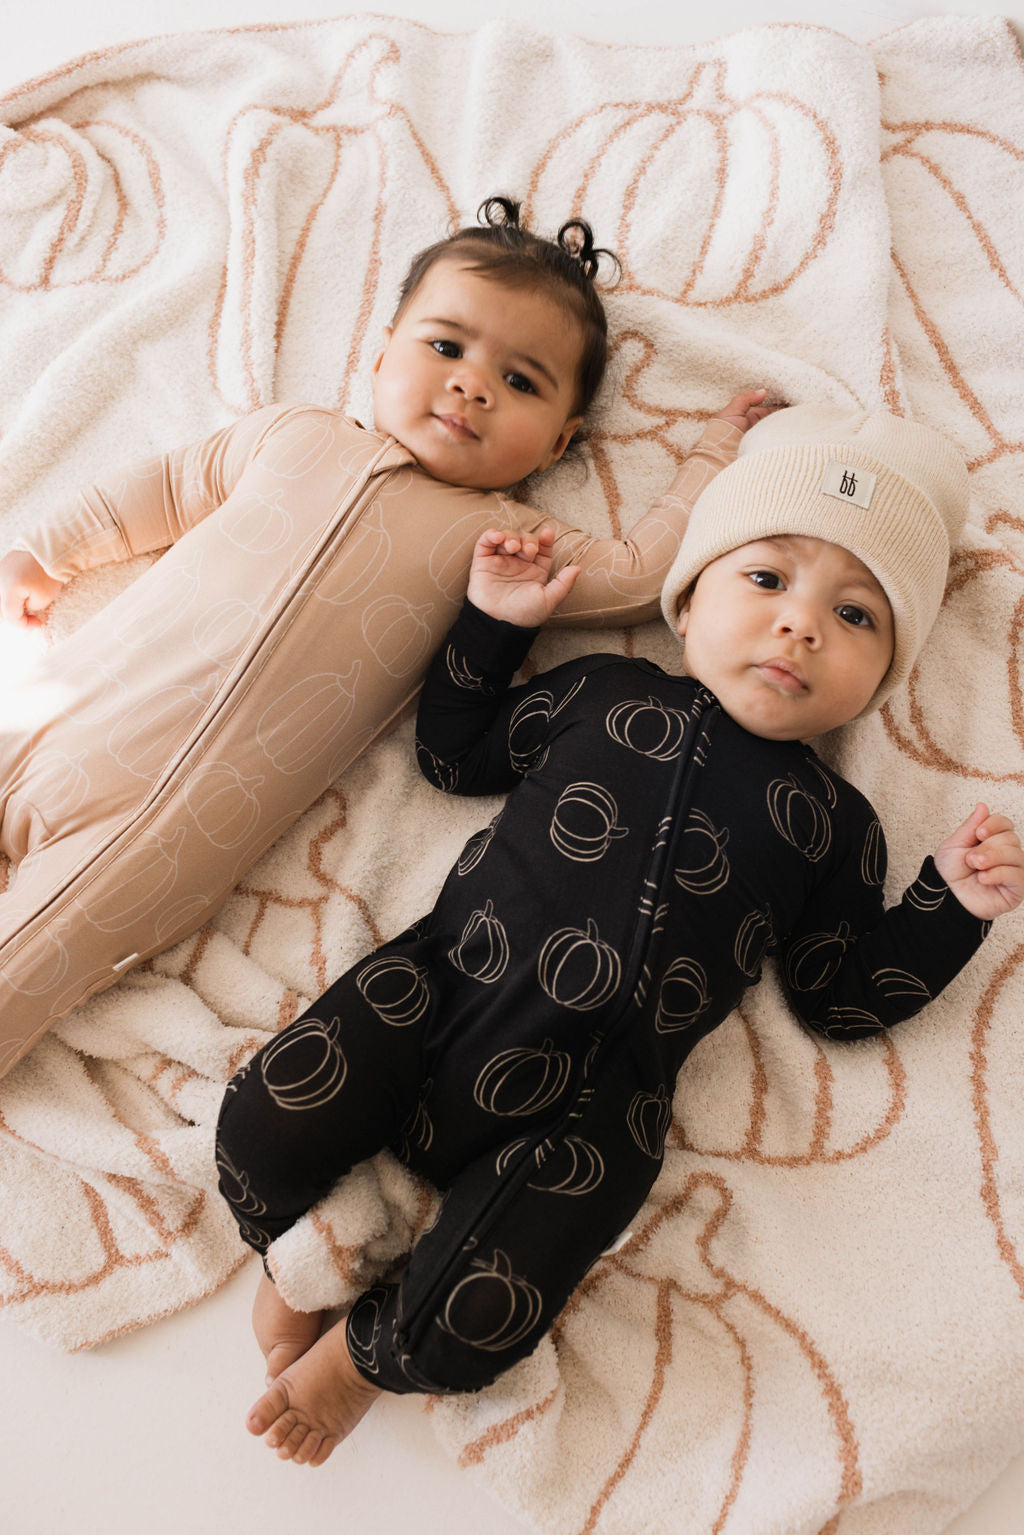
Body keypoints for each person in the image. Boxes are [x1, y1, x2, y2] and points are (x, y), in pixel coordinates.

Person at [215, 402, 1024, 1467]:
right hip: (444, 987)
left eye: (858, 616)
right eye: (768, 579)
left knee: (486, 1308)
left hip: (598, 1100)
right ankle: (297, 1252)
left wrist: (949, 908)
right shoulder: (605, 690)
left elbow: (839, 995)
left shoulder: (833, 823)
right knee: (261, 1121)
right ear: (687, 601)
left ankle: (366, 1357)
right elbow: (455, 757)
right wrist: (494, 624)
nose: (801, 626)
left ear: (880, 679)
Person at [0, 196, 769, 1074]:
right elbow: (165, 490)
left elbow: (639, 571)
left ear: (560, 444)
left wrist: (715, 450)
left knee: (22, 966)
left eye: (521, 382)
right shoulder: (291, 435)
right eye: (445, 347)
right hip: (48, 719)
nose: (472, 384)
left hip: (161, 836)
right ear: (380, 353)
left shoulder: (504, 547)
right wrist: (43, 550)